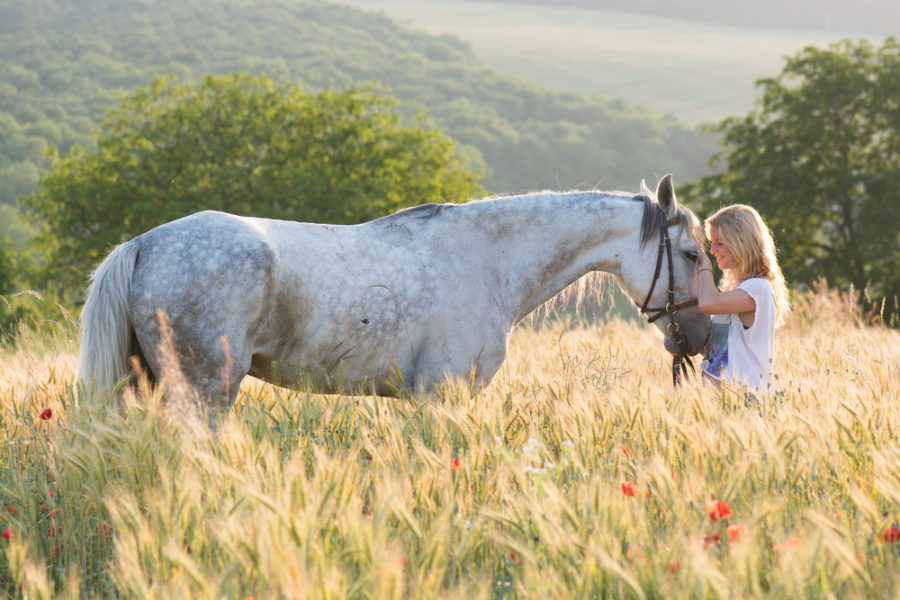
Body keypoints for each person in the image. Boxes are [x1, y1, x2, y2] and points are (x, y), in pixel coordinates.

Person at [695, 204, 791, 393]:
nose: (712, 250)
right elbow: (717, 350)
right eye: (711, 243)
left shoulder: (758, 288)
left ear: (741, 242)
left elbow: (707, 303)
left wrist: (704, 265)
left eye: (719, 242)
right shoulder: (734, 290)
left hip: (747, 397)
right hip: (722, 400)